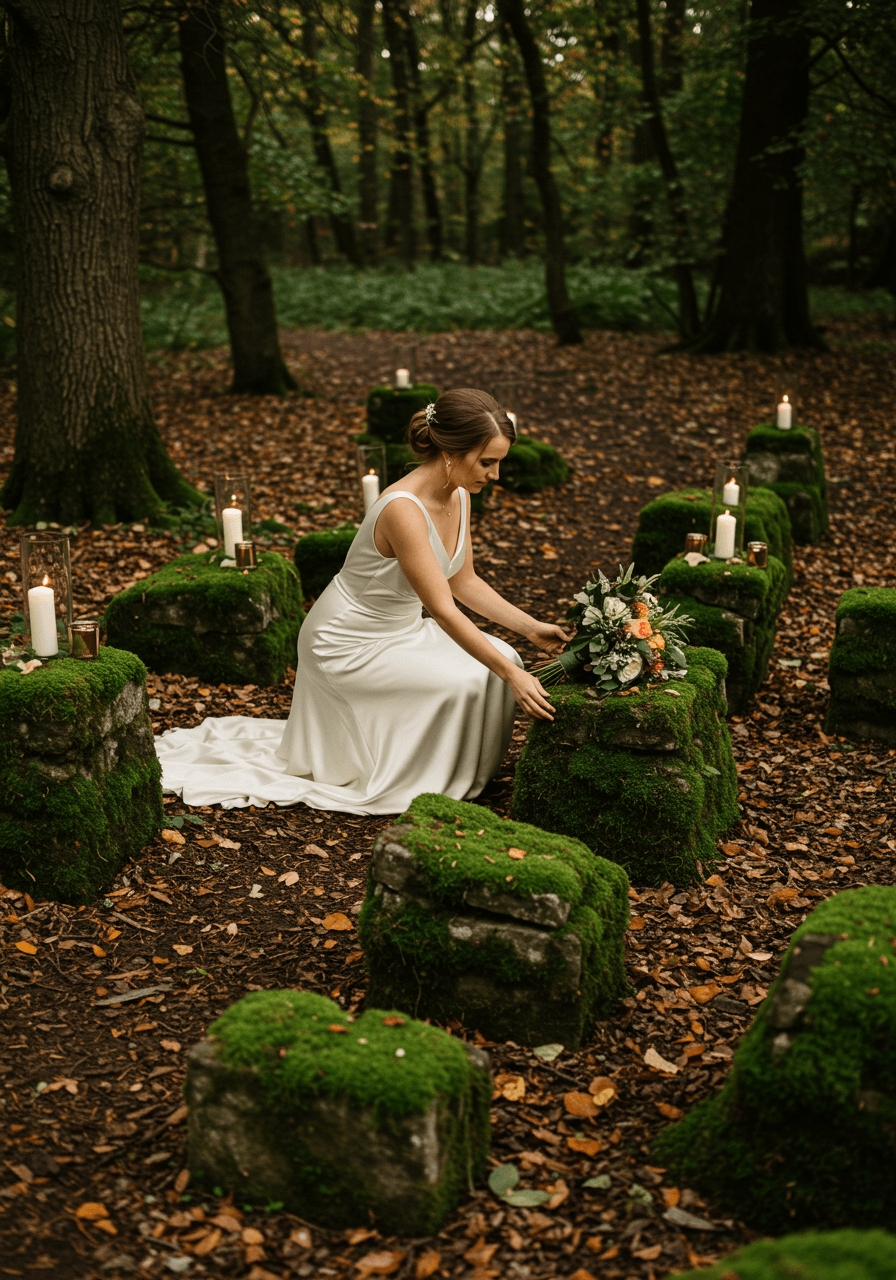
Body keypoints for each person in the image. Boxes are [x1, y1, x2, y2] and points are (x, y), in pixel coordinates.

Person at [156, 388, 568, 814]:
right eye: (488, 462)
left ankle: (463, 778)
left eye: (499, 462)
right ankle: (424, 780)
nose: (496, 475)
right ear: (451, 451)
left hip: (400, 630)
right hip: (346, 643)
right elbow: (444, 609)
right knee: (475, 677)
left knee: (506, 657)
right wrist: (509, 676)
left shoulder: (459, 494)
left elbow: (464, 581)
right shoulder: (403, 510)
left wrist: (530, 628)